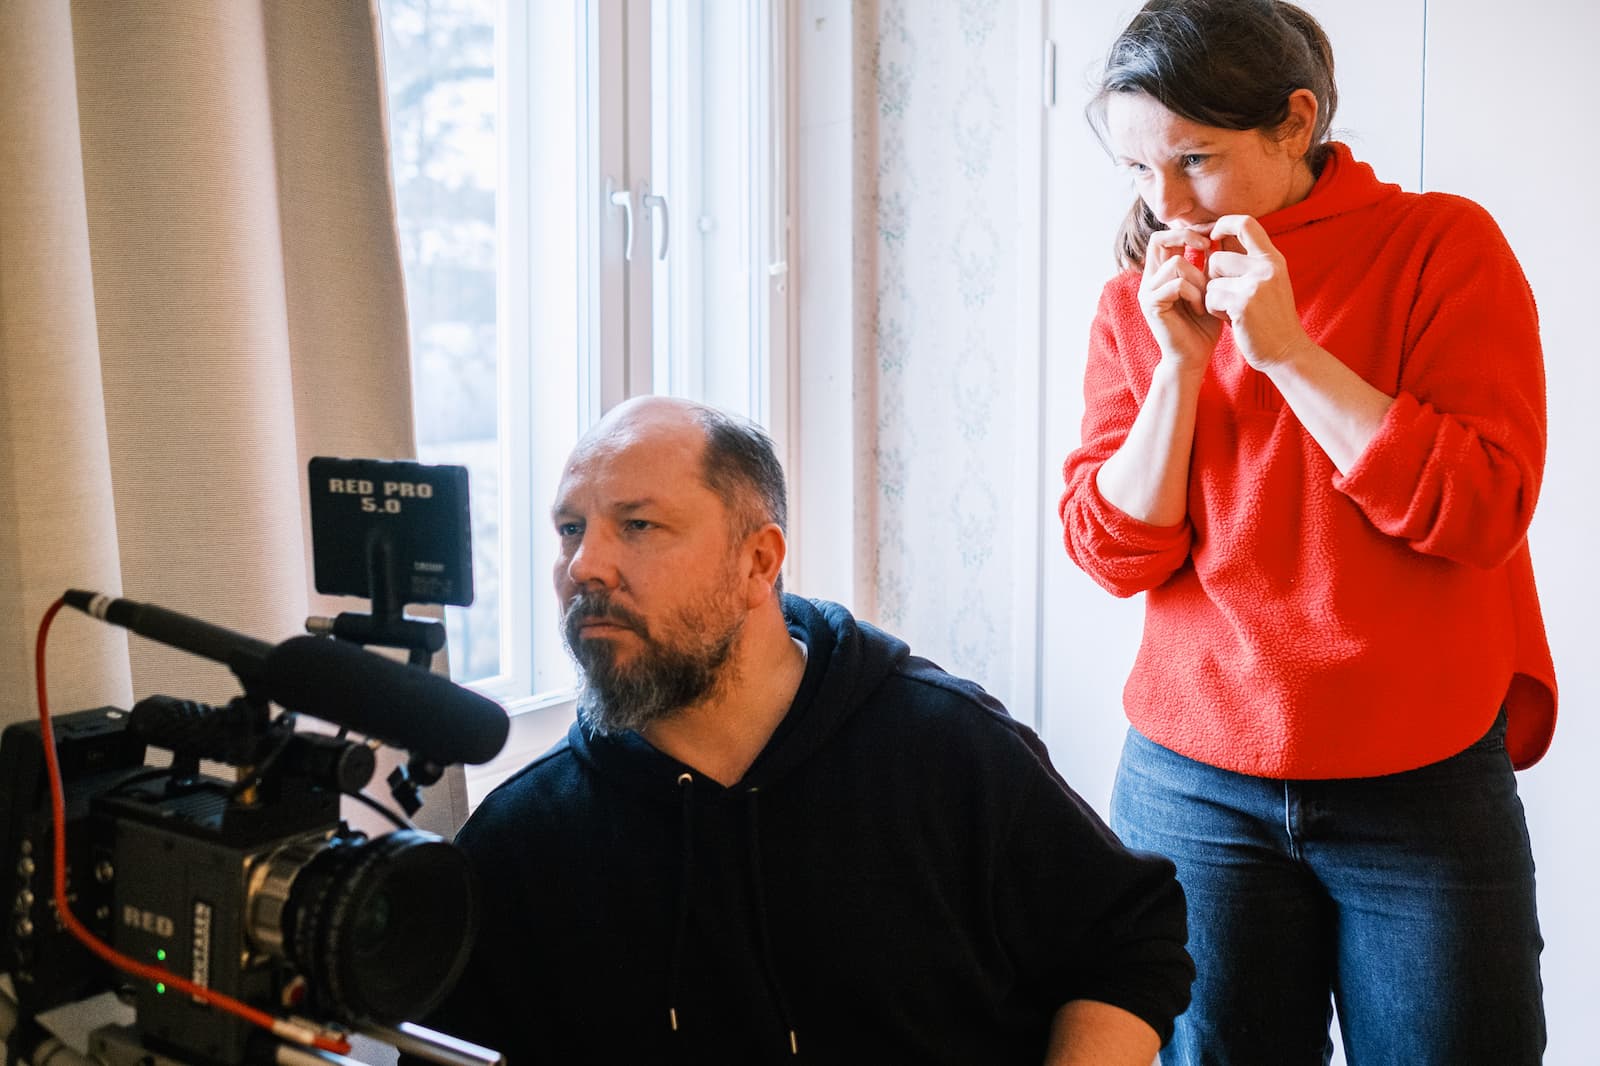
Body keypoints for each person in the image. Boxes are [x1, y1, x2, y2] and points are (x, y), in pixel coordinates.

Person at [1057, 1, 1556, 1063]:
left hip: (1418, 780)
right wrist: (1182, 367)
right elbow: (1113, 549)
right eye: (1140, 170)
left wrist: (1285, 352)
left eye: (1195, 159)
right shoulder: (1136, 301)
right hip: (1193, 781)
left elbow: (1482, 507)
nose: (1166, 202)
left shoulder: (1439, 246)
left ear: (1295, 122)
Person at [413, 396, 1193, 1064]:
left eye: (639, 525)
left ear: (759, 562)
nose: (585, 564)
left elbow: (1129, 941)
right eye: (570, 528)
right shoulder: (521, 841)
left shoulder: (945, 747)